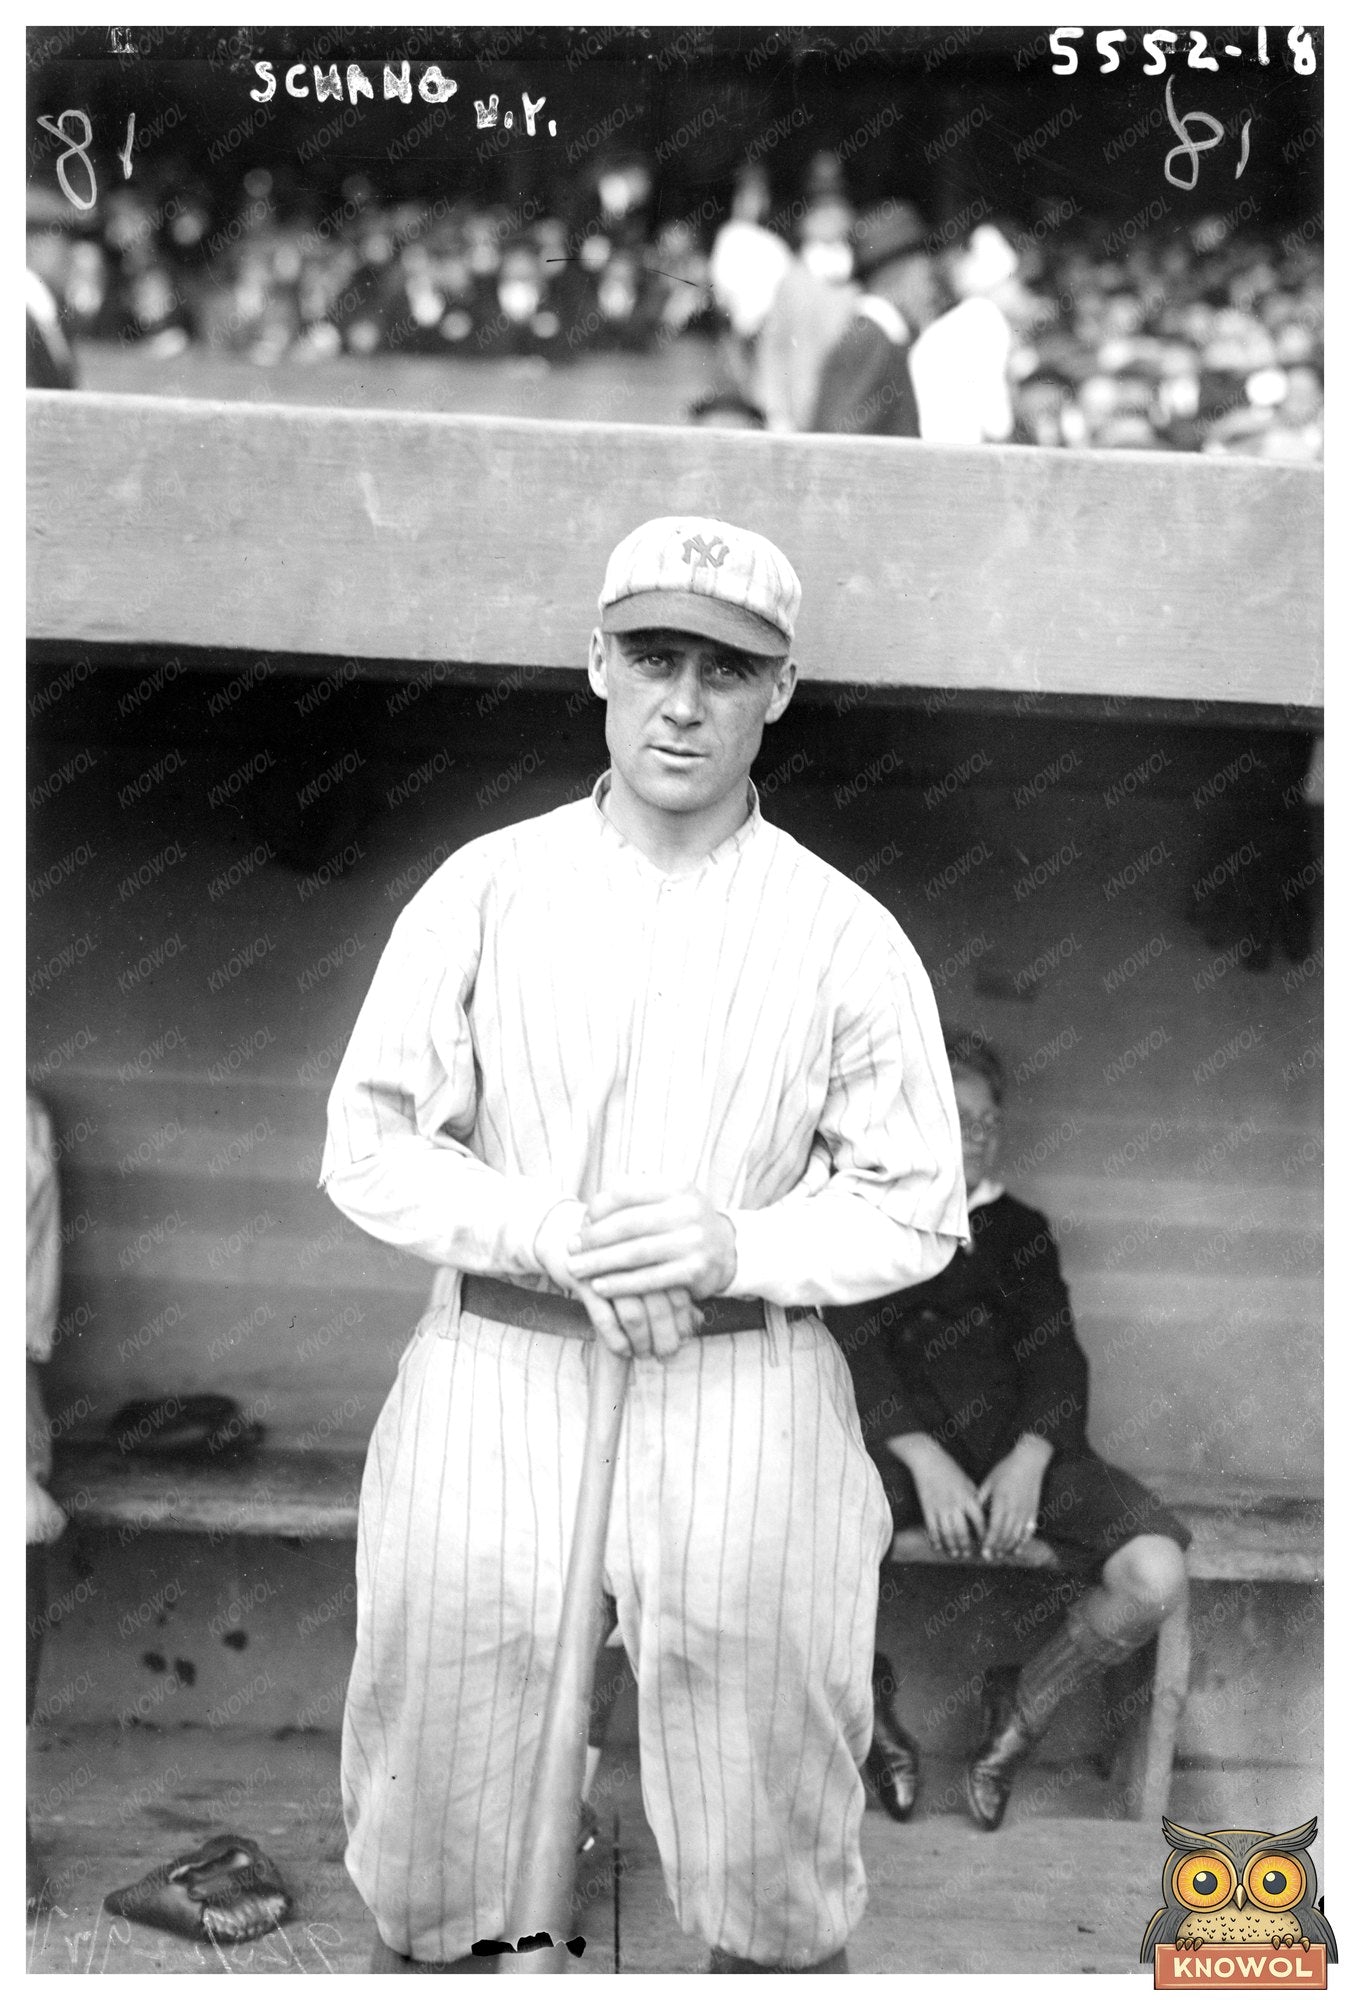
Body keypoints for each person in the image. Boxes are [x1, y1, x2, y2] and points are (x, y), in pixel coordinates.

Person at [320, 516, 967, 1972]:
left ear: (779, 692)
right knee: (439, 1809)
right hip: (503, 1362)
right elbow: (365, 1146)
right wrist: (549, 1229)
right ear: (594, 662)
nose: (683, 700)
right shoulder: (484, 887)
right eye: (654, 657)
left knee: (770, 1825)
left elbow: (917, 1199)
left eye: (726, 670)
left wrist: (728, 1244)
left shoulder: (841, 932)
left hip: (743, 1385)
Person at [830, 1032, 1189, 1832]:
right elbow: (853, 1350)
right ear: (919, 1124)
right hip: (894, 1463)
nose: (981, 1132)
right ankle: (869, 1711)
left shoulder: (1020, 1230)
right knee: (785, 1550)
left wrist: (1032, 1454)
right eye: (959, 1116)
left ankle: (1020, 1710)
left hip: (1017, 1463)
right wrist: (920, 1455)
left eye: (990, 1118)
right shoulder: (872, 1222)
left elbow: (1057, 1353)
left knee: (1155, 1574)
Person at [808, 203, 942, 439]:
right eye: (926, 279)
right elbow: (841, 439)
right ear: (897, 276)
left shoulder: (882, 337)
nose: (932, 293)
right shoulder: (869, 339)